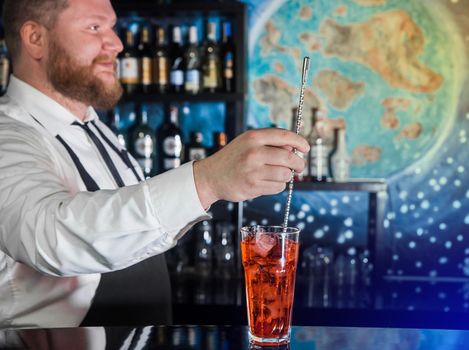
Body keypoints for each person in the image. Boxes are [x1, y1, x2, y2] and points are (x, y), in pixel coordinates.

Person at [0, 0, 309, 328]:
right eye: (94, 28)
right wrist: (207, 181)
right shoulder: (9, 134)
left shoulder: (97, 129)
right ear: (36, 38)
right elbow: (50, 234)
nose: (117, 44)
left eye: (112, 28)